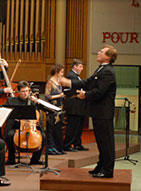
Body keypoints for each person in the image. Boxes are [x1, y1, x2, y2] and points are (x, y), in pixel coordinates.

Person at [60, 44, 117, 178]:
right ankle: (101, 165)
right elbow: (87, 82)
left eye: (101, 52)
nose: (98, 52)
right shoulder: (101, 69)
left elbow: (99, 92)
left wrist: (85, 95)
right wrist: (69, 83)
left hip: (104, 112)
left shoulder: (107, 71)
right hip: (99, 112)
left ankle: (107, 170)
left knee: (106, 142)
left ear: (108, 57)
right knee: (101, 141)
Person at [4, 80, 45, 165]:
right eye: (23, 91)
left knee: (43, 136)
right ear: (18, 92)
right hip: (15, 127)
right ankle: (11, 159)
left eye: (27, 91)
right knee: (9, 135)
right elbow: (4, 112)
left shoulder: (32, 102)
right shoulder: (11, 101)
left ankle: (35, 159)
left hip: (31, 127)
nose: (25, 93)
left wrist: (36, 102)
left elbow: (39, 113)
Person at [63, 59, 89, 152]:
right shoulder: (71, 75)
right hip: (74, 105)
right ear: (74, 66)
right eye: (80, 66)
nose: (82, 68)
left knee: (78, 125)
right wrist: (80, 92)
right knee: (73, 126)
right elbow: (68, 91)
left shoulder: (76, 76)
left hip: (79, 105)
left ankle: (77, 143)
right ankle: (67, 144)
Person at [44, 64, 65, 155]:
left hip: (59, 108)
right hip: (52, 108)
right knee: (52, 128)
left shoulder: (58, 82)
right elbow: (47, 96)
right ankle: (51, 148)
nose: (62, 74)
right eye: (61, 72)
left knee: (58, 129)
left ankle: (59, 147)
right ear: (56, 71)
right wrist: (60, 95)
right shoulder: (50, 82)